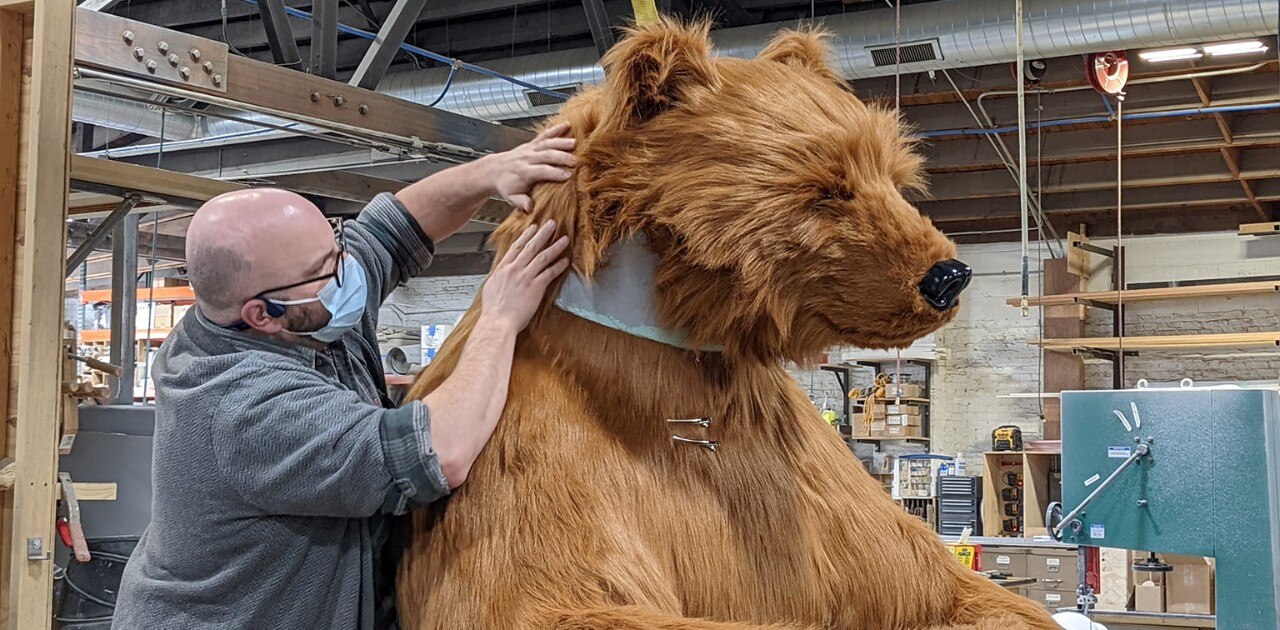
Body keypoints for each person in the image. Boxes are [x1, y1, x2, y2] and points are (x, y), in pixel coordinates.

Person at [112, 123, 577, 629]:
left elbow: (395, 228)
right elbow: (440, 452)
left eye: (335, 248)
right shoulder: (243, 407)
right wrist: (500, 320)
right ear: (261, 314)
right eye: (326, 269)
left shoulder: (306, 315)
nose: (347, 271)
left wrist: (492, 172)